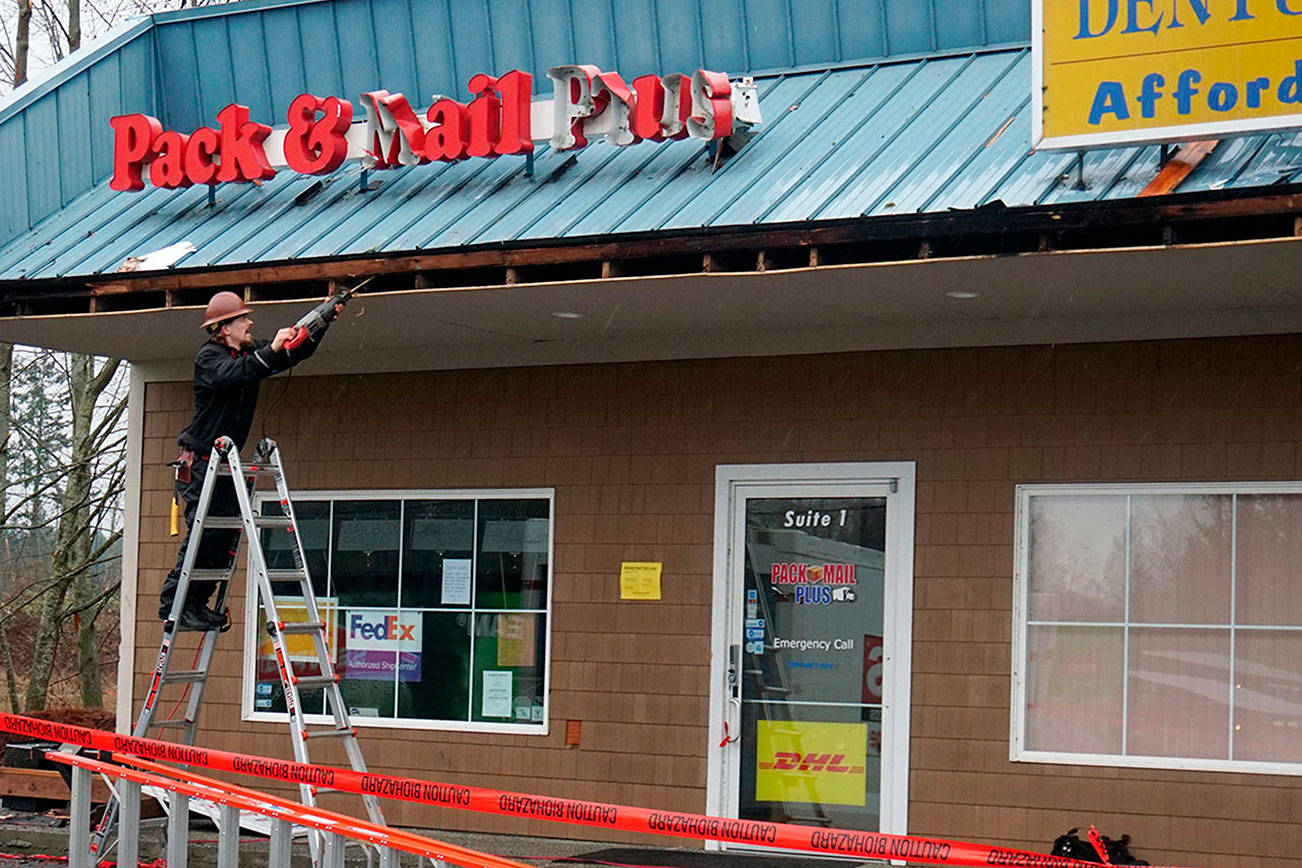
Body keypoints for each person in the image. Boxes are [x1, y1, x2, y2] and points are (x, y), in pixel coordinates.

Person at [159, 290, 337, 631]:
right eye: (243, 319)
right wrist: (271, 349)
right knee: (204, 534)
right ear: (224, 328)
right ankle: (177, 604)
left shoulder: (251, 353)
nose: (250, 322)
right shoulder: (209, 357)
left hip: (224, 460)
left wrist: (323, 321)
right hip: (200, 462)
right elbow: (235, 374)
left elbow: (289, 355)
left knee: (223, 537)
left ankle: (197, 602)